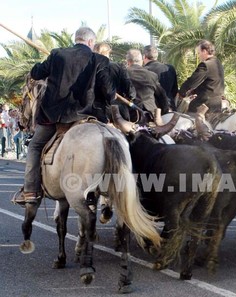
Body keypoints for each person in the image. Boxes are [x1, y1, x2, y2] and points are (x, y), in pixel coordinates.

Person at [14, 27, 115, 204]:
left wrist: (45, 64)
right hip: (85, 115)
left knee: (35, 146)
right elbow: (109, 93)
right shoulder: (98, 59)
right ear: (91, 42)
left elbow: (37, 73)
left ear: (76, 39)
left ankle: (30, 190)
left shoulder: (57, 54)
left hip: (53, 116)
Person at [93, 42, 136, 122]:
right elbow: (130, 91)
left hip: (93, 110)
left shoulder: (89, 67)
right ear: (108, 53)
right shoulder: (118, 67)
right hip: (116, 109)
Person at [179, 40, 225, 113]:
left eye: (198, 53)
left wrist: (181, 93)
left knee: (188, 114)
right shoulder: (218, 63)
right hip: (217, 103)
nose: (198, 55)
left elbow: (192, 82)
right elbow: (210, 82)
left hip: (205, 103)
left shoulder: (205, 65)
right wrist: (194, 92)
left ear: (204, 51)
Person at [126, 48, 169, 117]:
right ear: (142, 61)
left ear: (128, 61)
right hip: (150, 113)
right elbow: (162, 95)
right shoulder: (151, 75)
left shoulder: (122, 74)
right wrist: (165, 112)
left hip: (128, 114)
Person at [143, 45, 178, 111]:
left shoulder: (144, 71)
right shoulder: (170, 68)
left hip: (152, 111)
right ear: (157, 56)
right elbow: (174, 90)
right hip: (170, 108)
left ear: (144, 56)